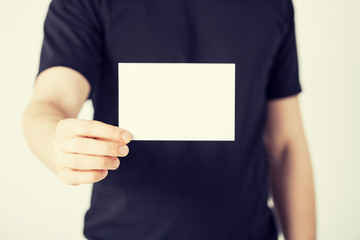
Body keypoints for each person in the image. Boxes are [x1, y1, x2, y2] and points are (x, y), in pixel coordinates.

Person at [22, 0, 316, 239]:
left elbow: (285, 144)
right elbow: (51, 101)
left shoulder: (273, 5)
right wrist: (55, 142)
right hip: (124, 233)